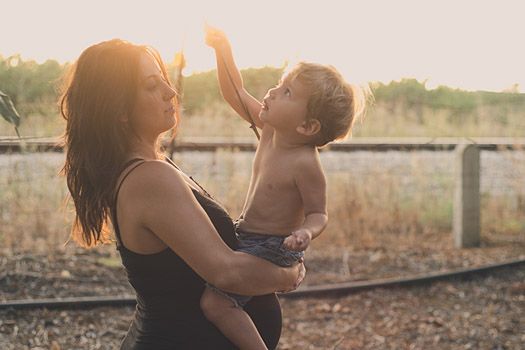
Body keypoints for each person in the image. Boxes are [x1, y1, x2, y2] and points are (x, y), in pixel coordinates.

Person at [59, 38, 305, 349]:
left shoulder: (152, 167)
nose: (170, 91)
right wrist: (290, 272)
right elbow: (226, 272)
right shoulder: (148, 178)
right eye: (151, 85)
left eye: (163, 79)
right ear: (119, 108)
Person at [202, 26, 368, 350]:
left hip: (272, 247)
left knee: (216, 303)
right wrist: (222, 49)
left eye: (287, 92)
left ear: (307, 126)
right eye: (279, 84)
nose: (273, 92)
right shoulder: (269, 129)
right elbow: (233, 91)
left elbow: (319, 213)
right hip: (245, 234)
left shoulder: (306, 163)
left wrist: (307, 232)